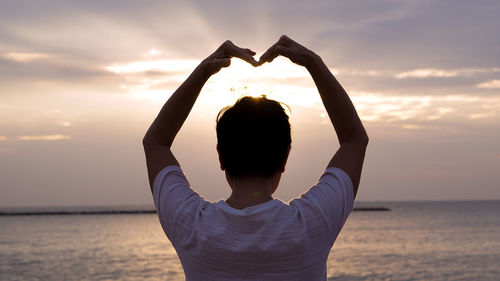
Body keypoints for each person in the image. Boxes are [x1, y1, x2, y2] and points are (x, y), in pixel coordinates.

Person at [143, 35, 368, 281]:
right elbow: (353, 140)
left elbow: (156, 142)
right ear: (285, 158)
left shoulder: (191, 225)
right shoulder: (312, 223)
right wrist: (313, 62)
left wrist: (205, 70)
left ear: (220, 157)